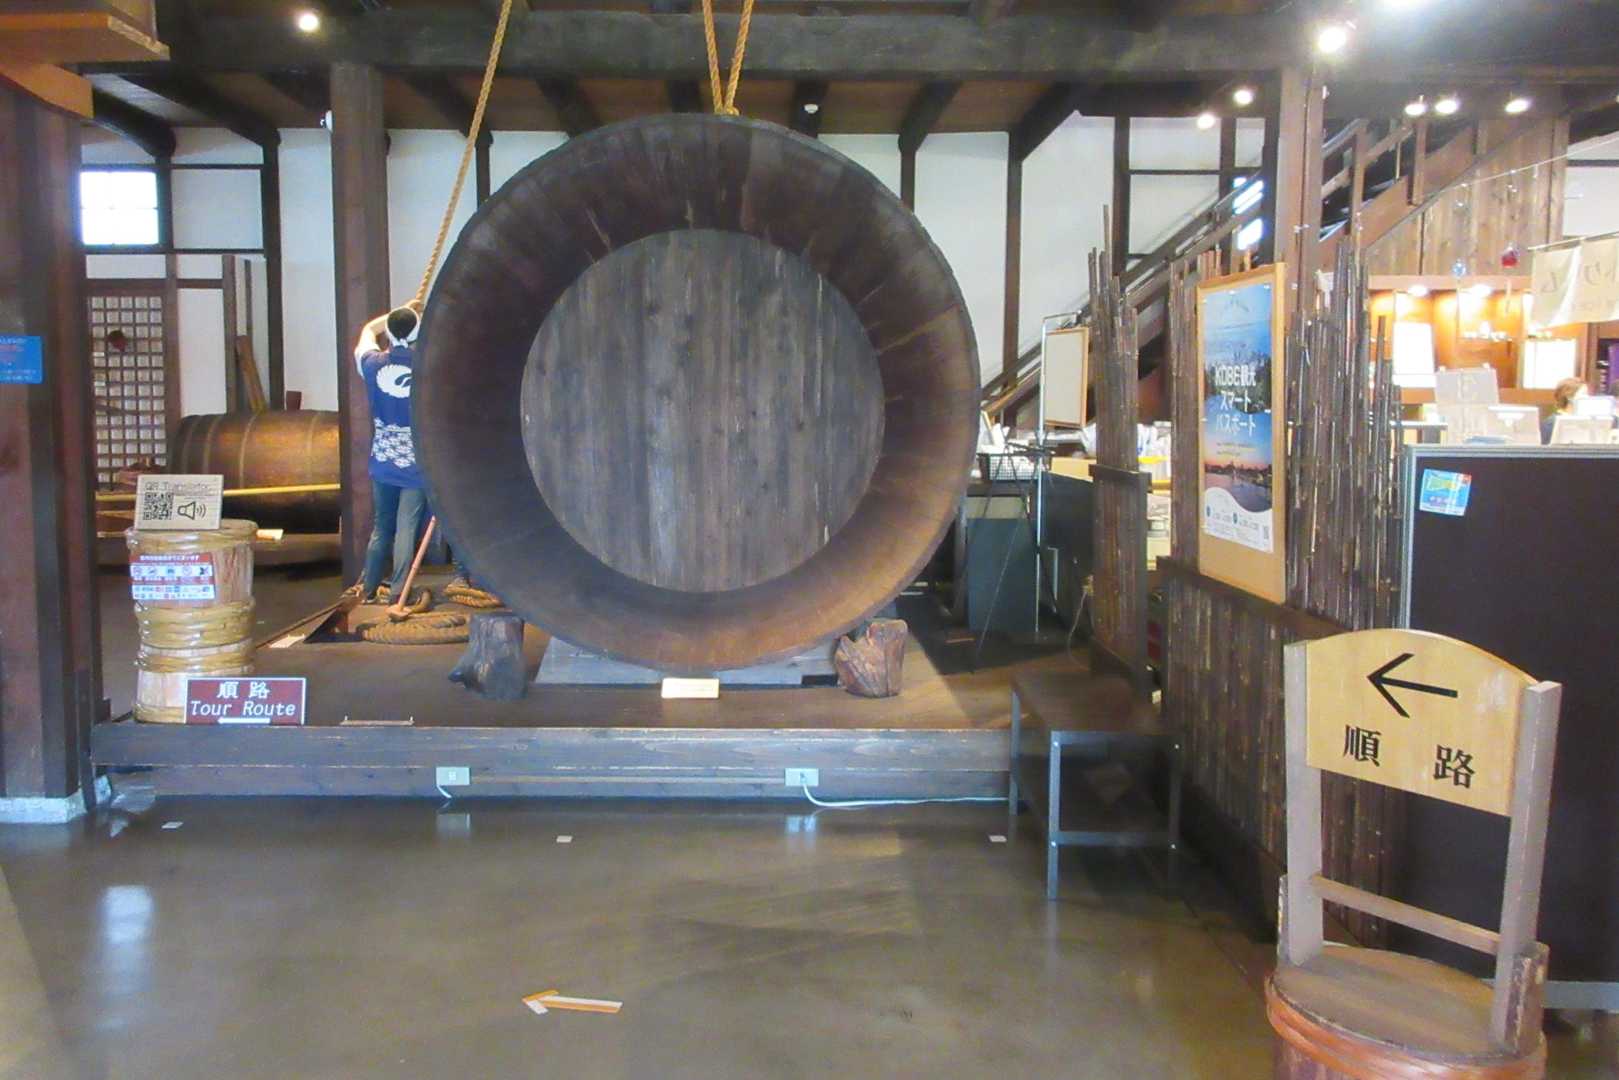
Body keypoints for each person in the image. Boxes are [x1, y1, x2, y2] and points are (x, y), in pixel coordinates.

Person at [349, 305, 427, 601]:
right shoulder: (426, 366)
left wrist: (400, 310)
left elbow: (368, 330)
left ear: (390, 334)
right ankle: (398, 591)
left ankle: (368, 588)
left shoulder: (372, 364)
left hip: (383, 458)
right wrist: (415, 315)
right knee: (407, 527)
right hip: (415, 462)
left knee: (382, 527)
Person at [1542, 376, 1589, 444]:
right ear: (1569, 396)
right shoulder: (1551, 422)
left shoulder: (1587, 420)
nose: (1587, 398)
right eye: (1584, 394)